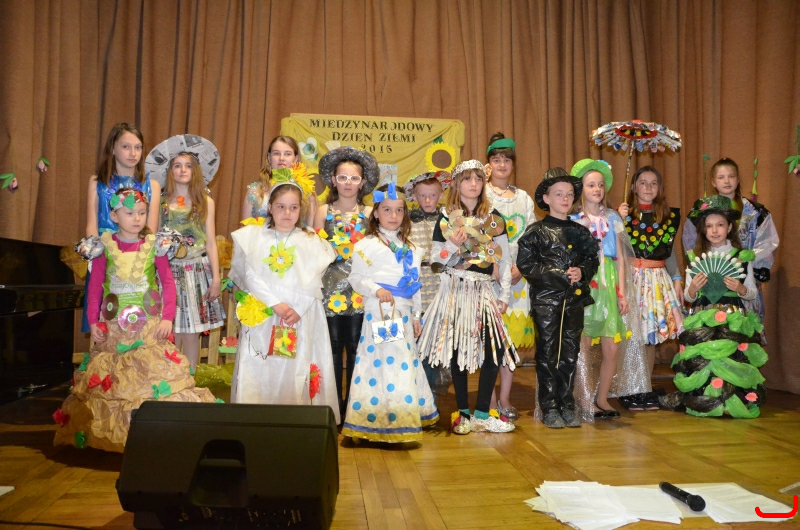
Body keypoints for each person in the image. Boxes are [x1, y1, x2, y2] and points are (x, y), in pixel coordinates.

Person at [55, 189, 215, 453]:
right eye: (130, 213)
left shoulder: (156, 245)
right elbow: (94, 288)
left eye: (141, 213)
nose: (137, 218)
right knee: (118, 380)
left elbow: (168, 284)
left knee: (149, 376)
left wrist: (167, 318)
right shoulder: (103, 246)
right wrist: (93, 321)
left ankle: (156, 431)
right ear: (114, 216)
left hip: (149, 327)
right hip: (114, 328)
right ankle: (121, 433)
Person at [228, 165, 341, 423]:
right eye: (281, 207)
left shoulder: (310, 240)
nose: (287, 213)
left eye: (293, 207)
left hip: (299, 316)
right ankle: (256, 421)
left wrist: (297, 309)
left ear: (301, 210)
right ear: (270, 207)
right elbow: (251, 276)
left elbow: (315, 280)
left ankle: (295, 422)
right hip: (266, 313)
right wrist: (276, 304)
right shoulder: (255, 237)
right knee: (263, 365)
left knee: (294, 367)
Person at [418, 160, 517, 435]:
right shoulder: (445, 218)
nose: (473, 184)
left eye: (478, 179)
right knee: (457, 351)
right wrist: (452, 245)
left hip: (484, 291)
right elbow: (436, 262)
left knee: (494, 351)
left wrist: (504, 294)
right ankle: (462, 413)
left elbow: (505, 261)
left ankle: (483, 413)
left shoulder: (494, 217)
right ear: (456, 184)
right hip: (455, 290)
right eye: (467, 179)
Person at [342, 183, 439, 442]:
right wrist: (376, 290)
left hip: (404, 312)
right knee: (380, 364)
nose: (393, 215)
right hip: (380, 312)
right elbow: (356, 277)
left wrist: (417, 316)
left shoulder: (412, 248)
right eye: (387, 210)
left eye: (398, 210)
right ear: (375, 212)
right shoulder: (366, 245)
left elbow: (414, 283)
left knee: (402, 362)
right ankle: (373, 421)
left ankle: (401, 418)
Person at [660, 195, 767, 418]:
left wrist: (740, 288)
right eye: (709, 226)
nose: (714, 230)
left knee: (730, 358)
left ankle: (731, 401)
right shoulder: (696, 257)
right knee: (704, 358)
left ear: (729, 227)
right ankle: (704, 401)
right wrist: (693, 288)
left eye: (720, 225)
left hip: (732, 318)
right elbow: (689, 296)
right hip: (703, 315)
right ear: (703, 229)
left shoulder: (741, 257)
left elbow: (751, 292)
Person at [517, 168, 599, 429]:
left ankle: (567, 404)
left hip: (574, 301)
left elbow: (592, 260)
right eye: (559, 194)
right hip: (546, 303)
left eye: (569, 194)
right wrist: (558, 274)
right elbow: (527, 265)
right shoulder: (535, 232)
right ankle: (550, 407)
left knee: (570, 353)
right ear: (546, 198)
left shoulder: (580, 232)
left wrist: (582, 271)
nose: (565, 198)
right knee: (548, 353)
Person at [569, 159, 650, 422]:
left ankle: (602, 398)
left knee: (611, 349)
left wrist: (622, 293)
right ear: (581, 188)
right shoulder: (573, 219)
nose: (597, 189)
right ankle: (583, 399)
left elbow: (621, 259)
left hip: (609, 283)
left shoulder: (613, 217)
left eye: (600, 185)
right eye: (591, 185)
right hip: (586, 284)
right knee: (581, 346)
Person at [313, 147, 379, 419]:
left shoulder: (370, 212)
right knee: (331, 346)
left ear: (362, 182)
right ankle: (332, 409)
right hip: (329, 290)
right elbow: (314, 250)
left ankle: (352, 407)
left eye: (354, 178)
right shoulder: (322, 211)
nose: (348, 183)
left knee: (355, 347)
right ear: (333, 180)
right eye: (343, 177)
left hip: (360, 290)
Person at [151, 136, 226, 370]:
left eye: (188, 166)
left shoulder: (205, 202)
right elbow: (153, 239)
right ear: (170, 170)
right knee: (170, 329)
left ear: (196, 171)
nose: (183, 170)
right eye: (177, 165)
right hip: (168, 273)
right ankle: (172, 378)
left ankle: (189, 378)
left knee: (192, 332)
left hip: (196, 272)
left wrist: (216, 279)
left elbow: (211, 242)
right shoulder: (161, 202)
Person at [80, 123, 161, 333]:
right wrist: (97, 258)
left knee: (138, 324)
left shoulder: (151, 185)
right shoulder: (97, 182)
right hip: (106, 258)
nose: (133, 153)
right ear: (113, 148)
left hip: (137, 261)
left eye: (138, 147)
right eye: (126, 147)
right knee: (104, 321)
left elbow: (150, 231)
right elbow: (92, 224)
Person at [681, 158, 779, 326]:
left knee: (743, 329)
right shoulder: (700, 212)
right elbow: (690, 242)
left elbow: (768, 243)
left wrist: (745, 260)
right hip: (708, 283)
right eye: (721, 177)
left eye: (731, 176)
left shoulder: (755, 212)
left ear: (738, 179)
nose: (726, 181)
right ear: (713, 182)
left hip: (742, 280)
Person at [617, 166, 684, 411]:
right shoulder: (621, 216)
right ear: (633, 187)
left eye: (653, 183)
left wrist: (677, 278)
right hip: (632, 280)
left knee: (649, 337)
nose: (648, 187)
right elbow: (616, 248)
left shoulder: (667, 217)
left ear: (660, 188)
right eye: (643, 182)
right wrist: (617, 220)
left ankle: (643, 386)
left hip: (657, 281)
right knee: (630, 337)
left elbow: (670, 251)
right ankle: (627, 387)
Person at [484, 133, 536, 422]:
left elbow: (530, 238)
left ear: (513, 164)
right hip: (489, 277)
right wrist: (494, 268)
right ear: (489, 164)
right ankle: (489, 399)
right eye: (496, 160)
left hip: (517, 277)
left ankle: (504, 398)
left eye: (506, 160)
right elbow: (479, 235)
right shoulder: (483, 196)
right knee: (490, 340)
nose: (502, 165)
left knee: (510, 341)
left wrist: (521, 268)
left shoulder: (523, 198)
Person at [403, 170, 451, 397]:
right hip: (417, 287)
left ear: (441, 195)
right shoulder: (407, 221)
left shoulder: (448, 221)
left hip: (440, 286)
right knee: (418, 336)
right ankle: (417, 387)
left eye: (432, 195)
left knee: (436, 339)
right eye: (422, 195)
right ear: (414, 196)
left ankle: (432, 387)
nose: (428, 200)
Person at [242, 136, 318, 226]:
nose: (282, 158)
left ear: (296, 159)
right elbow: (244, 229)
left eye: (287, 154)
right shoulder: (255, 190)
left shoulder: (307, 192)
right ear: (269, 157)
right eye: (276, 153)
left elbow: (311, 230)